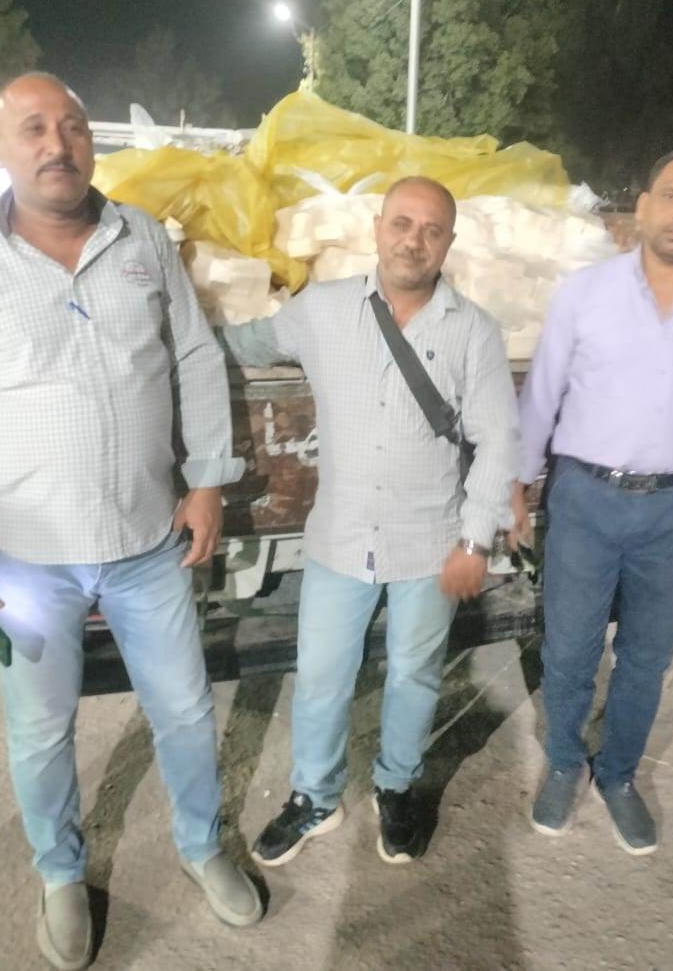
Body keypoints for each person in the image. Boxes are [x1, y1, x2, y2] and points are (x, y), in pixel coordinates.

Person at [0, 73, 261, 971]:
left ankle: (201, 845)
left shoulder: (141, 237)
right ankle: (60, 873)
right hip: (25, 559)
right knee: (39, 731)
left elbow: (195, 358)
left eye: (74, 126)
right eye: (33, 128)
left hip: (146, 544)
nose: (58, 144)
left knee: (185, 712)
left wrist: (206, 481)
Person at [222, 176, 519, 866]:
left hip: (431, 542)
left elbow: (497, 442)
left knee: (415, 675)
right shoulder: (321, 310)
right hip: (341, 538)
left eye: (431, 229)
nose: (414, 240)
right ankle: (315, 798)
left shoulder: (473, 332)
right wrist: (163, 341)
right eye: (402, 224)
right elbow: (244, 344)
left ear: (448, 241)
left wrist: (475, 539)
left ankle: (396, 786)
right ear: (378, 227)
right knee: (321, 675)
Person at [511, 147, 673, 856]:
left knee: (645, 655)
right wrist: (517, 484)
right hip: (584, 499)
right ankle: (564, 763)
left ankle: (619, 773)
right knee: (570, 648)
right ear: (643, 207)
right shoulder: (584, 293)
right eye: (671, 195)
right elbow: (542, 395)